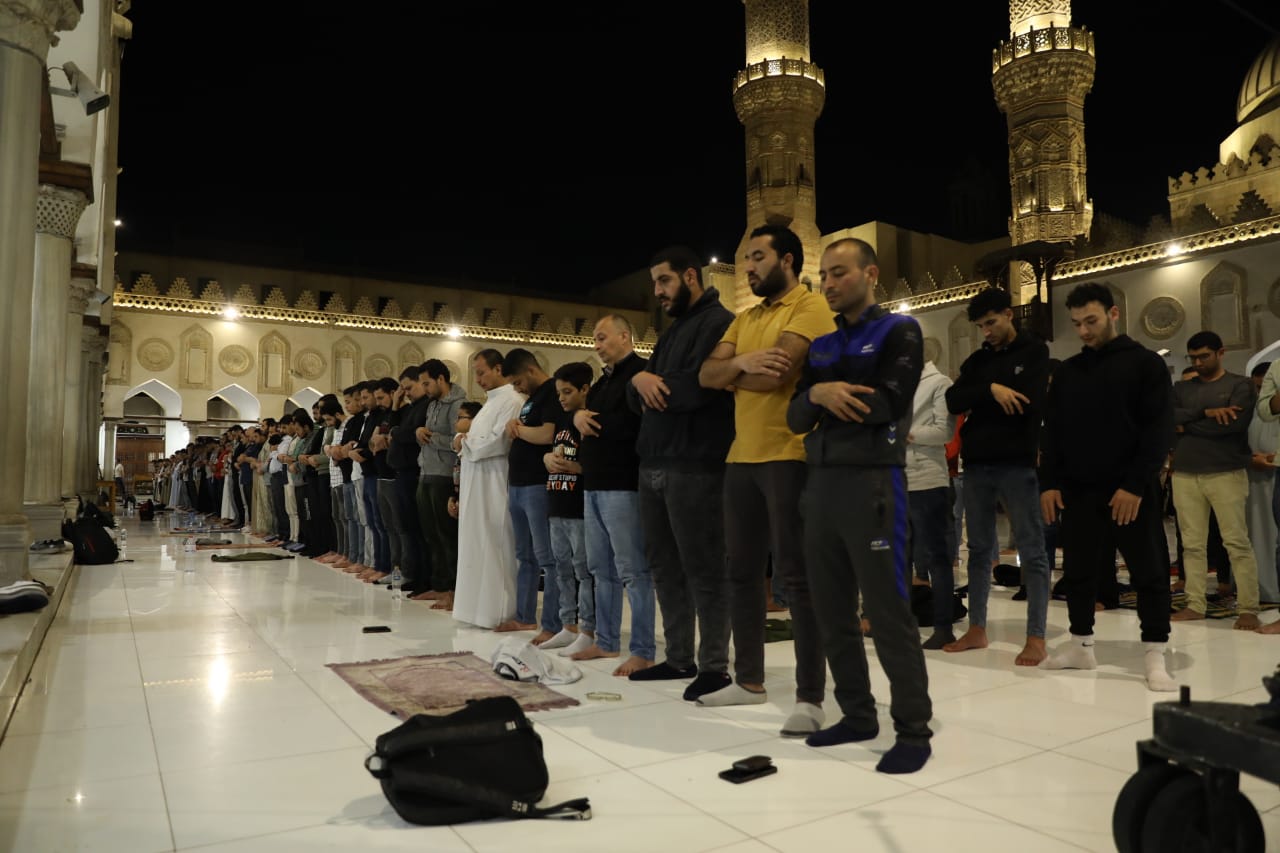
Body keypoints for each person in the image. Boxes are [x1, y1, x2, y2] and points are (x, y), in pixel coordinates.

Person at [786, 237, 933, 773]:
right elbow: (795, 417)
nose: (828, 283)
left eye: (839, 273)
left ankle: (913, 731)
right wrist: (819, 395)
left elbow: (886, 404)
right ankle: (857, 715)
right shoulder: (822, 345)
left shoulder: (899, 331)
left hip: (874, 485)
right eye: (824, 274)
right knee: (831, 611)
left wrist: (825, 397)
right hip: (821, 486)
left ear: (870, 274)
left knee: (888, 612)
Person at [697, 224, 834, 736]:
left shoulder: (809, 307)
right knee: (741, 573)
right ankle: (749, 680)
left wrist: (733, 374)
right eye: (747, 258)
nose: (749, 267)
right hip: (741, 458)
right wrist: (741, 364)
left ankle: (810, 697)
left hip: (789, 454)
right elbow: (705, 376)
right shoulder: (745, 317)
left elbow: (778, 372)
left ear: (788, 260)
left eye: (758, 257)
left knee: (797, 578)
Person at [1038, 283, 1177, 691]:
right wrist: (1049, 483)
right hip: (1080, 490)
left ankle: (1155, 655)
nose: (1084, 331)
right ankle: (1081, 646)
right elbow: (1053, 432)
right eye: (1077, 323)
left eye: (1091, 321)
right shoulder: (1068, 372)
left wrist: (1135, 485)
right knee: (1079, 571)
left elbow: (1158, 430)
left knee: (1148, 572)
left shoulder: (1145, 364)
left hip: (1130, 491)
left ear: (1113, 314)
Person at [625, 245, 736, 700]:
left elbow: (702, 388)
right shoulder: (672, 332)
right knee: (665, 567)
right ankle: (678, 658)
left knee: (704, 568)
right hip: (653, 463)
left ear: (691, 277)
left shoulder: (721, 323)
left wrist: (654, 386)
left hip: (696, 466)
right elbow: (638, 397)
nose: (658, 291)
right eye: (655, 283)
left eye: (664, 281)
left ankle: (714, 666)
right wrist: (638, 380)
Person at [943, 286, 1051, 666]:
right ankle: (977, 628)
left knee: (1032, 550)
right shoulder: (978, 361)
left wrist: (982, 396)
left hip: (1017, 464)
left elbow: (1028, 403)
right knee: (978, 550)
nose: (986, 332)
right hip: (977, 465)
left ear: (1008, 314)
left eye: (991, 323)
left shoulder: (1035, 352)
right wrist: (991, 389)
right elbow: (953, 399)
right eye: (980, 326)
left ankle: (1036, 637)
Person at [570, 315, 654, 677]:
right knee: (600, 568)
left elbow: (639, 426)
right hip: (594, 484)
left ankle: (644, 650)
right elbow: (589, 418)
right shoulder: (604, 381)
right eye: (595, 339)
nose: (597, 345)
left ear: (624, 336)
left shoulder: (641, 374)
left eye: (602, 338)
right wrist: (577, 418)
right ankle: (605, 641)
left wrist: (589, 421)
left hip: (623, 484)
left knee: (633, 571)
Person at [1170, 331, 1260, 629]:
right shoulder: (1182, 388)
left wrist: (1187, 425)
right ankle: (1194, 603)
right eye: (1193, 357)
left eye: (1204, 356)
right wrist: (1206, 413)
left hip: (1226, 471)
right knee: (1192, 544)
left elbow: (1233, 426)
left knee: (1236, 542)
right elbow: (1167, 419)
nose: (1198, 363)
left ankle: (1248, 607)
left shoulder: (1240, 385)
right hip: (1186, 472)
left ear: (1221, 353)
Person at [453, 350, 526, 629]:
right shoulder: (490, 403)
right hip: (476, 482)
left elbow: (499, 442)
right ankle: (475, 609)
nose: (478, 378)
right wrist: (463, 439)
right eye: (476, 373)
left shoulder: (513, 400)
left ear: (498, 369)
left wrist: (464, 441)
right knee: (475, 543)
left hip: (495, 483)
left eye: (482, 372)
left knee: (496, 544)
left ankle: (500, 610)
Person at [498, 348, 563, 640]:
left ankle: (552, 623)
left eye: (517, 382)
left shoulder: (551, 393)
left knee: (547, 558)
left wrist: (519, 430)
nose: (517, 388)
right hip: (519, 484)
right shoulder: (532, 399)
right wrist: (516, 426)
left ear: (531, 370)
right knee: (524, 556)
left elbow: (547, 434)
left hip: (538, 485)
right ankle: (525, 617)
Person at [539, 361, 596, 653]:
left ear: (584, 389)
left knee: (583, 569)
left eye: (567, 392)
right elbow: (551, 453)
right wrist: (547, 459)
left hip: (578, 507)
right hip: (557, 502)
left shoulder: (589, 420)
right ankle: (567, 625)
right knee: (561, 568)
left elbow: (599, 463)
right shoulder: (560, 420)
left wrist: (577, 467)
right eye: (559, 392)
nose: (561, 398)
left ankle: (588, 627)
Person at [907, 356, 956, 648]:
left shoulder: (939, 383)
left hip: (928, 479)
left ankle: (943, 626)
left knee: (937, 557)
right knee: (897, 557)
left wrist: (905, 433)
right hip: (895, 477)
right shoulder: (894, 384)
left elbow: (944, 432)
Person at [414, 360, 467, 609]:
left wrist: (431, 437)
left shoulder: (457, 405)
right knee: (430, 535)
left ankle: (453, 591)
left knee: (447, 536)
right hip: (426, 472)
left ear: (441, 379)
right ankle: (439, 585)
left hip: (445, 476)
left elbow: (459, 441)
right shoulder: (432, 404)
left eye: (427, 383)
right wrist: (419, 433)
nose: (424, 389)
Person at [1245, 362, 1280, 605]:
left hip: (1274, 473)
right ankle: (1261, 588)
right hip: (1255, 480)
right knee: (1259, 535)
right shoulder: (1250, 409)